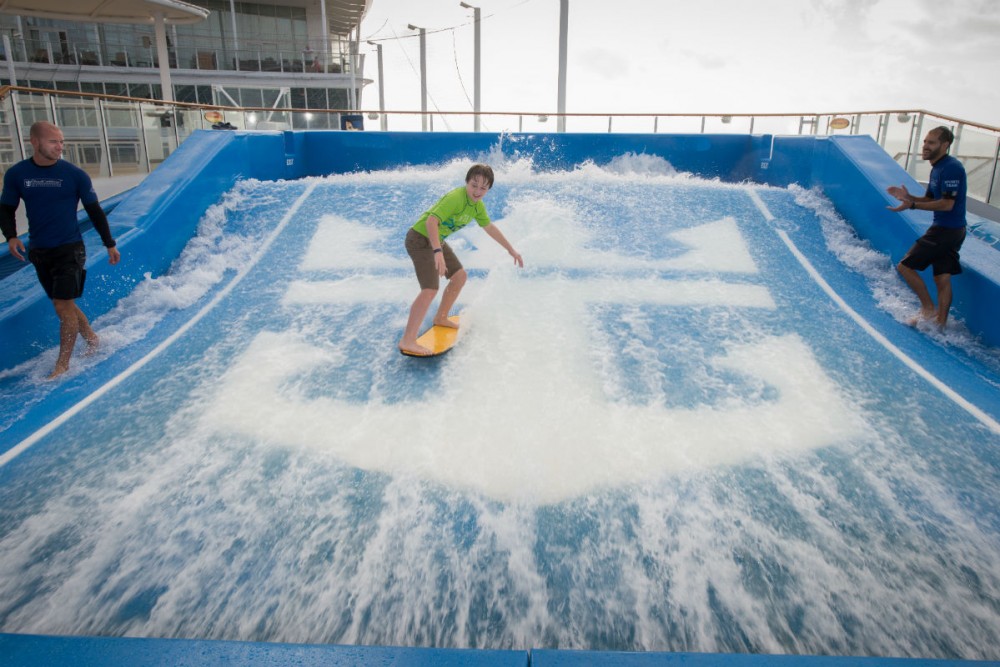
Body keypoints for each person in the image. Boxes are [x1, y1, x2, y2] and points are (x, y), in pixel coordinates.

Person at [1, 121, 121, 378]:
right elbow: (6, 208)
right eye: (54, 142)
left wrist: (109, 243)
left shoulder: (74, 175)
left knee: (62, 306)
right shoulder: (17, 174)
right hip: (40, 251)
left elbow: (95, 212)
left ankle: (62, 364)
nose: (60, 147)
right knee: (63, 304)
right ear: (34, 142)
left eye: (62, 142)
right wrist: (11, 236)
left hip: (70, 249)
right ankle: (91, 338)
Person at [399, 164, 523, 356]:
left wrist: (511, 250)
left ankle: (440, 317)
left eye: (483, 188)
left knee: (459, 276)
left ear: (488, 189)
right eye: (474, 185)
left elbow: (489, 227)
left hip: (435, 241)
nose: (477, 191)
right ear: (467, 182)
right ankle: (407, 340)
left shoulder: (477, 206)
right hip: (419, 239)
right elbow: (431, 221)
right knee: (430, 289)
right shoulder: (456, 198)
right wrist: (437, 251)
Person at [886, 126, 967, 328]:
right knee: (942, 277)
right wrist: (909, 198)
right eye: (925, 142)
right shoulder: (938, 167)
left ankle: (928, 309)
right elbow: (931, 198)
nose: (925, 146)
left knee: (905, 266)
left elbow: (947, 204)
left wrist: (912, 206)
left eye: (931, 143)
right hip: (953, 230)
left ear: (945, 145)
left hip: (945, 230)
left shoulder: (951, 168)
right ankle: (940, 324)